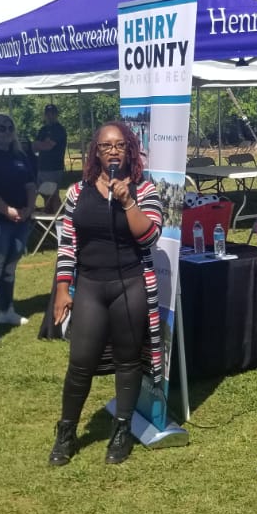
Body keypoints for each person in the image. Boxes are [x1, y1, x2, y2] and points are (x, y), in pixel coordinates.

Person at [47, 121, 163, 466]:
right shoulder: (77, 192)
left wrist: (128, 201)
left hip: (130, 284)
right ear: (95, 152)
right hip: (91, 287)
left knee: (128, 361)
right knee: (80, 362)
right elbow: (67, 245)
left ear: (130, 149)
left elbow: (149, 237)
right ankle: (66, 433)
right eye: (105, 146)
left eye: (119, 146)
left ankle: (121, 431)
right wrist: (63, 290)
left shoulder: (144, 189)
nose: (113, 151)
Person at [0, 112, 38, 334]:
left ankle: (6, 310)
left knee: (11, 263)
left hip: (21, 219)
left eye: (10, 128)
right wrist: (7, 210)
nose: (7, 132)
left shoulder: (20, 155)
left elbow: (31, 185)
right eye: (2, 128)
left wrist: (28, 209)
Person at [31, 104, 68, 214]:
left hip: (54, 168)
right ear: (45, 115)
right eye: (47, 113)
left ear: (57, 114)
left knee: (53, 195)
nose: (50, 115)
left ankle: (59, 222)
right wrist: (41, 144)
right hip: (41, 167)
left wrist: (41, 144)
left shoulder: (59, 130)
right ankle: (49, 219)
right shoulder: (43, 129)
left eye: (52, 113)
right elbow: (35, 146)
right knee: (45, 196)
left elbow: (47, 146)